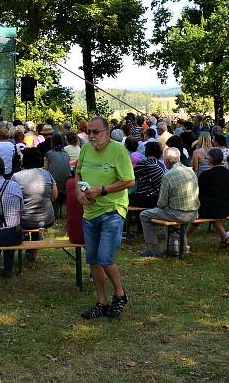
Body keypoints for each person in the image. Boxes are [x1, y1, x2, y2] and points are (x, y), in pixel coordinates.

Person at [75, 117, 133, 320]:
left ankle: (120, 294)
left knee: (105, 258)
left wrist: (103, 190)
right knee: (93, 261)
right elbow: (78, 172)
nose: (91, 135)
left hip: (112, 210)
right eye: (88, 131)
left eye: (95, 132)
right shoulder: (85, 149)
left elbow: (129, 181)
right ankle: (102, 302)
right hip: (90, 212)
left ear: (107, 132)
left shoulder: (118, 150)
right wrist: (79, 191)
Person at [140, 147, 199, 258]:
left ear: (166, 161)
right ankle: (174, 249)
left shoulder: (168, 176)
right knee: (168, 213)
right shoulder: (191, 171)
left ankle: (154, 250)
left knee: (144, 215)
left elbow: (161, 203)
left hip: (179, 214)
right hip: (194, 213)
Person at [187, 148, 229, 249]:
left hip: (212, 207)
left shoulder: (205, 175)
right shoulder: (227, 172)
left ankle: (186, 235)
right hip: (227, 205)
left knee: (205, 212)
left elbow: (199, 193)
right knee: (221, 211)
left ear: (210, 160)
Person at [12, 148, 57, 261]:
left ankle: (28, 244)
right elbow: (55, 195)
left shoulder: (16, 176)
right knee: (38, 223)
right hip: (46, 219)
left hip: (24, 220)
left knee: (25, 221)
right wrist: (45, 203)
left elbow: (13, 200)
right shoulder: (47, 174)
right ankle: (33, 251)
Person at [129, 141, 165, 208]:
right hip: (157, 199)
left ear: (146, 151)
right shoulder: (161, 166)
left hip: (142, 199)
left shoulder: (142, 165)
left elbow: (130, 177)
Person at [44, 134, 71, 217]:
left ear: (52, 142)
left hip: (55, 184)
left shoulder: (49, 154)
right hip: (66, 183)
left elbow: (45, 170)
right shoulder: (66, 154)